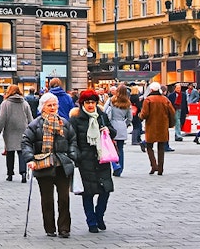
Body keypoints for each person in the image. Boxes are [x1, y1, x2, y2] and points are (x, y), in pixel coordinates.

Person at [20, 92, 78, 238]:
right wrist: (30, 159)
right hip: (44, 165)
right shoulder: (35, 124)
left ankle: (64, 228)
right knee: (47, 199)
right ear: (43, 107)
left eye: (55, 105)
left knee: (64, 198)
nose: (53, 108)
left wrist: (72, 157)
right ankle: (50, 228)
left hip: (62, 165)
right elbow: (26, 142)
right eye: (49, 105)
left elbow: (73, 141)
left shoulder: (64, 123)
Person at [69, 89, 116, 233]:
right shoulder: (76, 119)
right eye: (87, 102)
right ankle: (91, 222)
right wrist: (78, 156)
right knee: (87, 193)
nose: (90, 105)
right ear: (82, 103)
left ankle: (99, 215)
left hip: (102, 158)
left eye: (93, 102)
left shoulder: (101, 116)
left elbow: (113, 132)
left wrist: (108, 130)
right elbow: (72, 140)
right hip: (85, 161)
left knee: (105, 190)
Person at [0, 84, 34, 182]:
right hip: (23, 130)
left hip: (10, 130)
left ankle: (10, 174)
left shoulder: (5, 103)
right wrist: (32, 131)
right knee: (22, 152)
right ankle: (23, 173)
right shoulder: (24, 103)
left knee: (10, 152)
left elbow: (1, 119)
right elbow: (30, 118)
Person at [139, 81, 175, 175]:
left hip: (151, 126)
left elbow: (145, 113)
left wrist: (140, 116)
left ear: (151, 89)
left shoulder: (148, 100)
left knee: (149, 146)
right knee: (161, 147)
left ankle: (154, 165)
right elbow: (172, 112)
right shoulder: (165, 99)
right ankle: (160, 169)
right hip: (163, 126)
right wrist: (170, 124)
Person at [103, 83, 132, 176]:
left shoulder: (111, 100)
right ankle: (120, 168)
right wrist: (125, 124)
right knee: (120, 148)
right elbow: (130, 118)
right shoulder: (127, 103)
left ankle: (115, 165)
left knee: (111, 148)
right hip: (122, 126)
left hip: (111, 125)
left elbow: (104, 111)